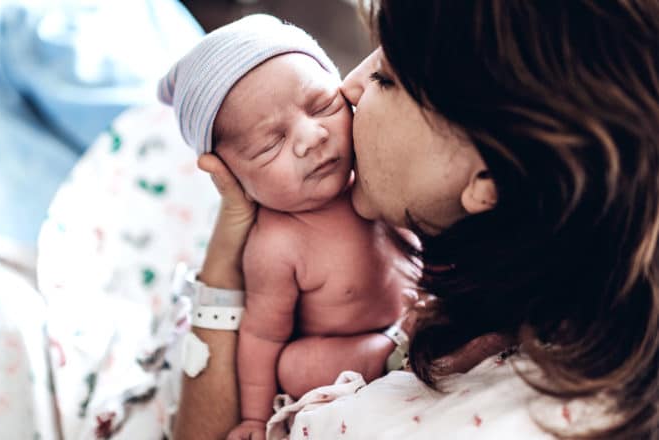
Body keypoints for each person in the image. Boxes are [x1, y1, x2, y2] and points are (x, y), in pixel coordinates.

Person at [175, 0, 659, 439]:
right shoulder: (540, 253)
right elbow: (263, 336)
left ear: (484, 178)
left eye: (387, 78)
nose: (349, 85)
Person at [158, 15, 415, 440]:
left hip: (406, 311)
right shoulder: (278, 243)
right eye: (270, 143)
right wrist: (255, 419)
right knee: (296, 365)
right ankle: (393, 354)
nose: (311, 137)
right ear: (231, 176)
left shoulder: (376, 165)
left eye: (322, 106)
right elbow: (260, 337)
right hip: (344, 348)